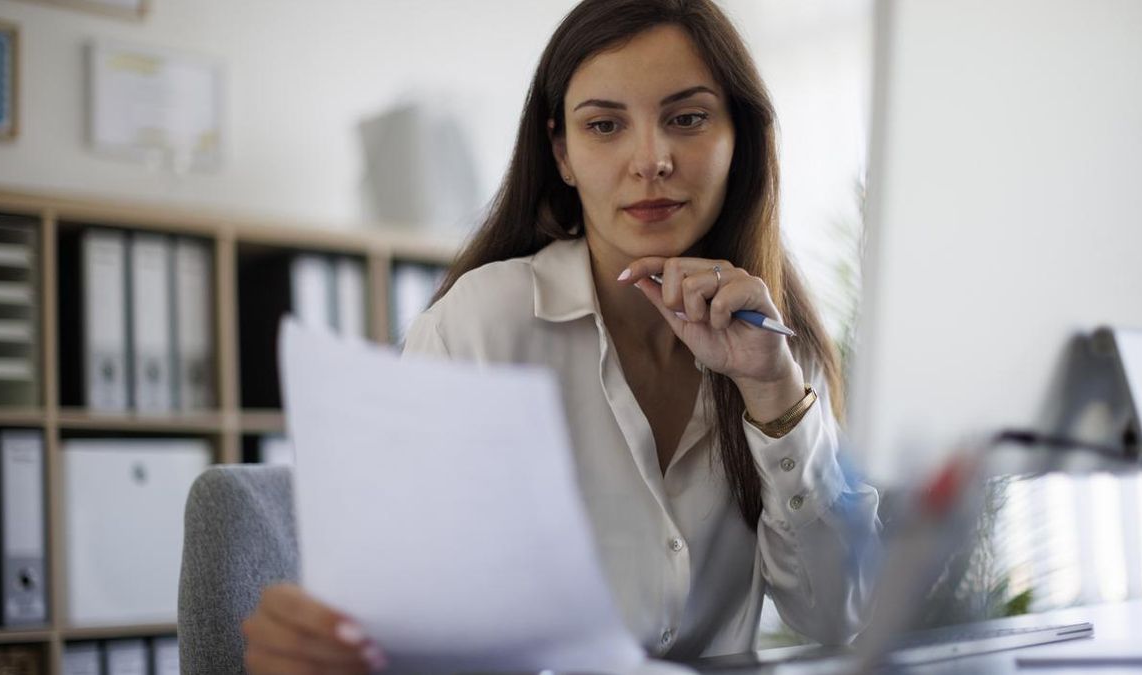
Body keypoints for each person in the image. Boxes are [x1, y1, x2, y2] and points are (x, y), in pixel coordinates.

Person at [242, 1, 880, 672]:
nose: (651, 160)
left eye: (687, 119)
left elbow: (839, 612)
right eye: (604, 125)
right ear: (561, 153)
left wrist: (771, 389)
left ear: (738, 137)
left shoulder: (776, 343)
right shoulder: (479, 328)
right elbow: (404, 615)